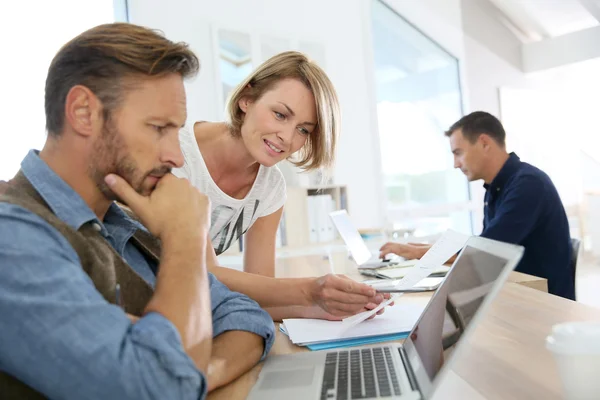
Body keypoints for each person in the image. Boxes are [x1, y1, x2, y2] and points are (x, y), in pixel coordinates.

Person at [0, 23, 275, 399]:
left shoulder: (124, 222)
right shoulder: (13, 238)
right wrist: (185, 236)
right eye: (159, 128)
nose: (175, 157)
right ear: (83, 113)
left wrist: (195, 373)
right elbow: (150, 390)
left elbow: (247, 316)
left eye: (176, 131)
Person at [175, 52, 388, 320]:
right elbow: (202, 272)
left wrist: (334, 307)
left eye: (303, 130)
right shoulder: (175, 155)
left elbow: (260, 292)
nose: (287, 137)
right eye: (280, 115)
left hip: (193, 307)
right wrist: (310, 290)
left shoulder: (271, 186)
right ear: (247, 98)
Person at [380, 111, 574, 300]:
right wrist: (430, 249)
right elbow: (485, 245)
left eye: (458, 153)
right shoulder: (496, 188)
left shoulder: (528, 184)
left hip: (542, 303)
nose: (456, 164)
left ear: (484, 143)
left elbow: (485, 252)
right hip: (514, 292)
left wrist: (422, 253)